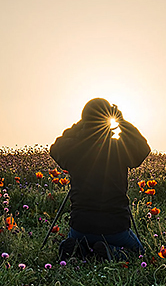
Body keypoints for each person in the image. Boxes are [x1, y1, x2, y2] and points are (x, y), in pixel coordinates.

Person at [49, 98, 151, 259]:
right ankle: (110, 251)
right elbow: (142, 147)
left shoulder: (72, 149)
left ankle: (77, 249)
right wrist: (122, 121)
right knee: (137, 254)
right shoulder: (119, 148)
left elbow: (56, 147)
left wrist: (80, 124)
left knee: (78, 238)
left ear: (84, 121)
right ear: (108, 121)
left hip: (81, 226)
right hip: (115, 227)